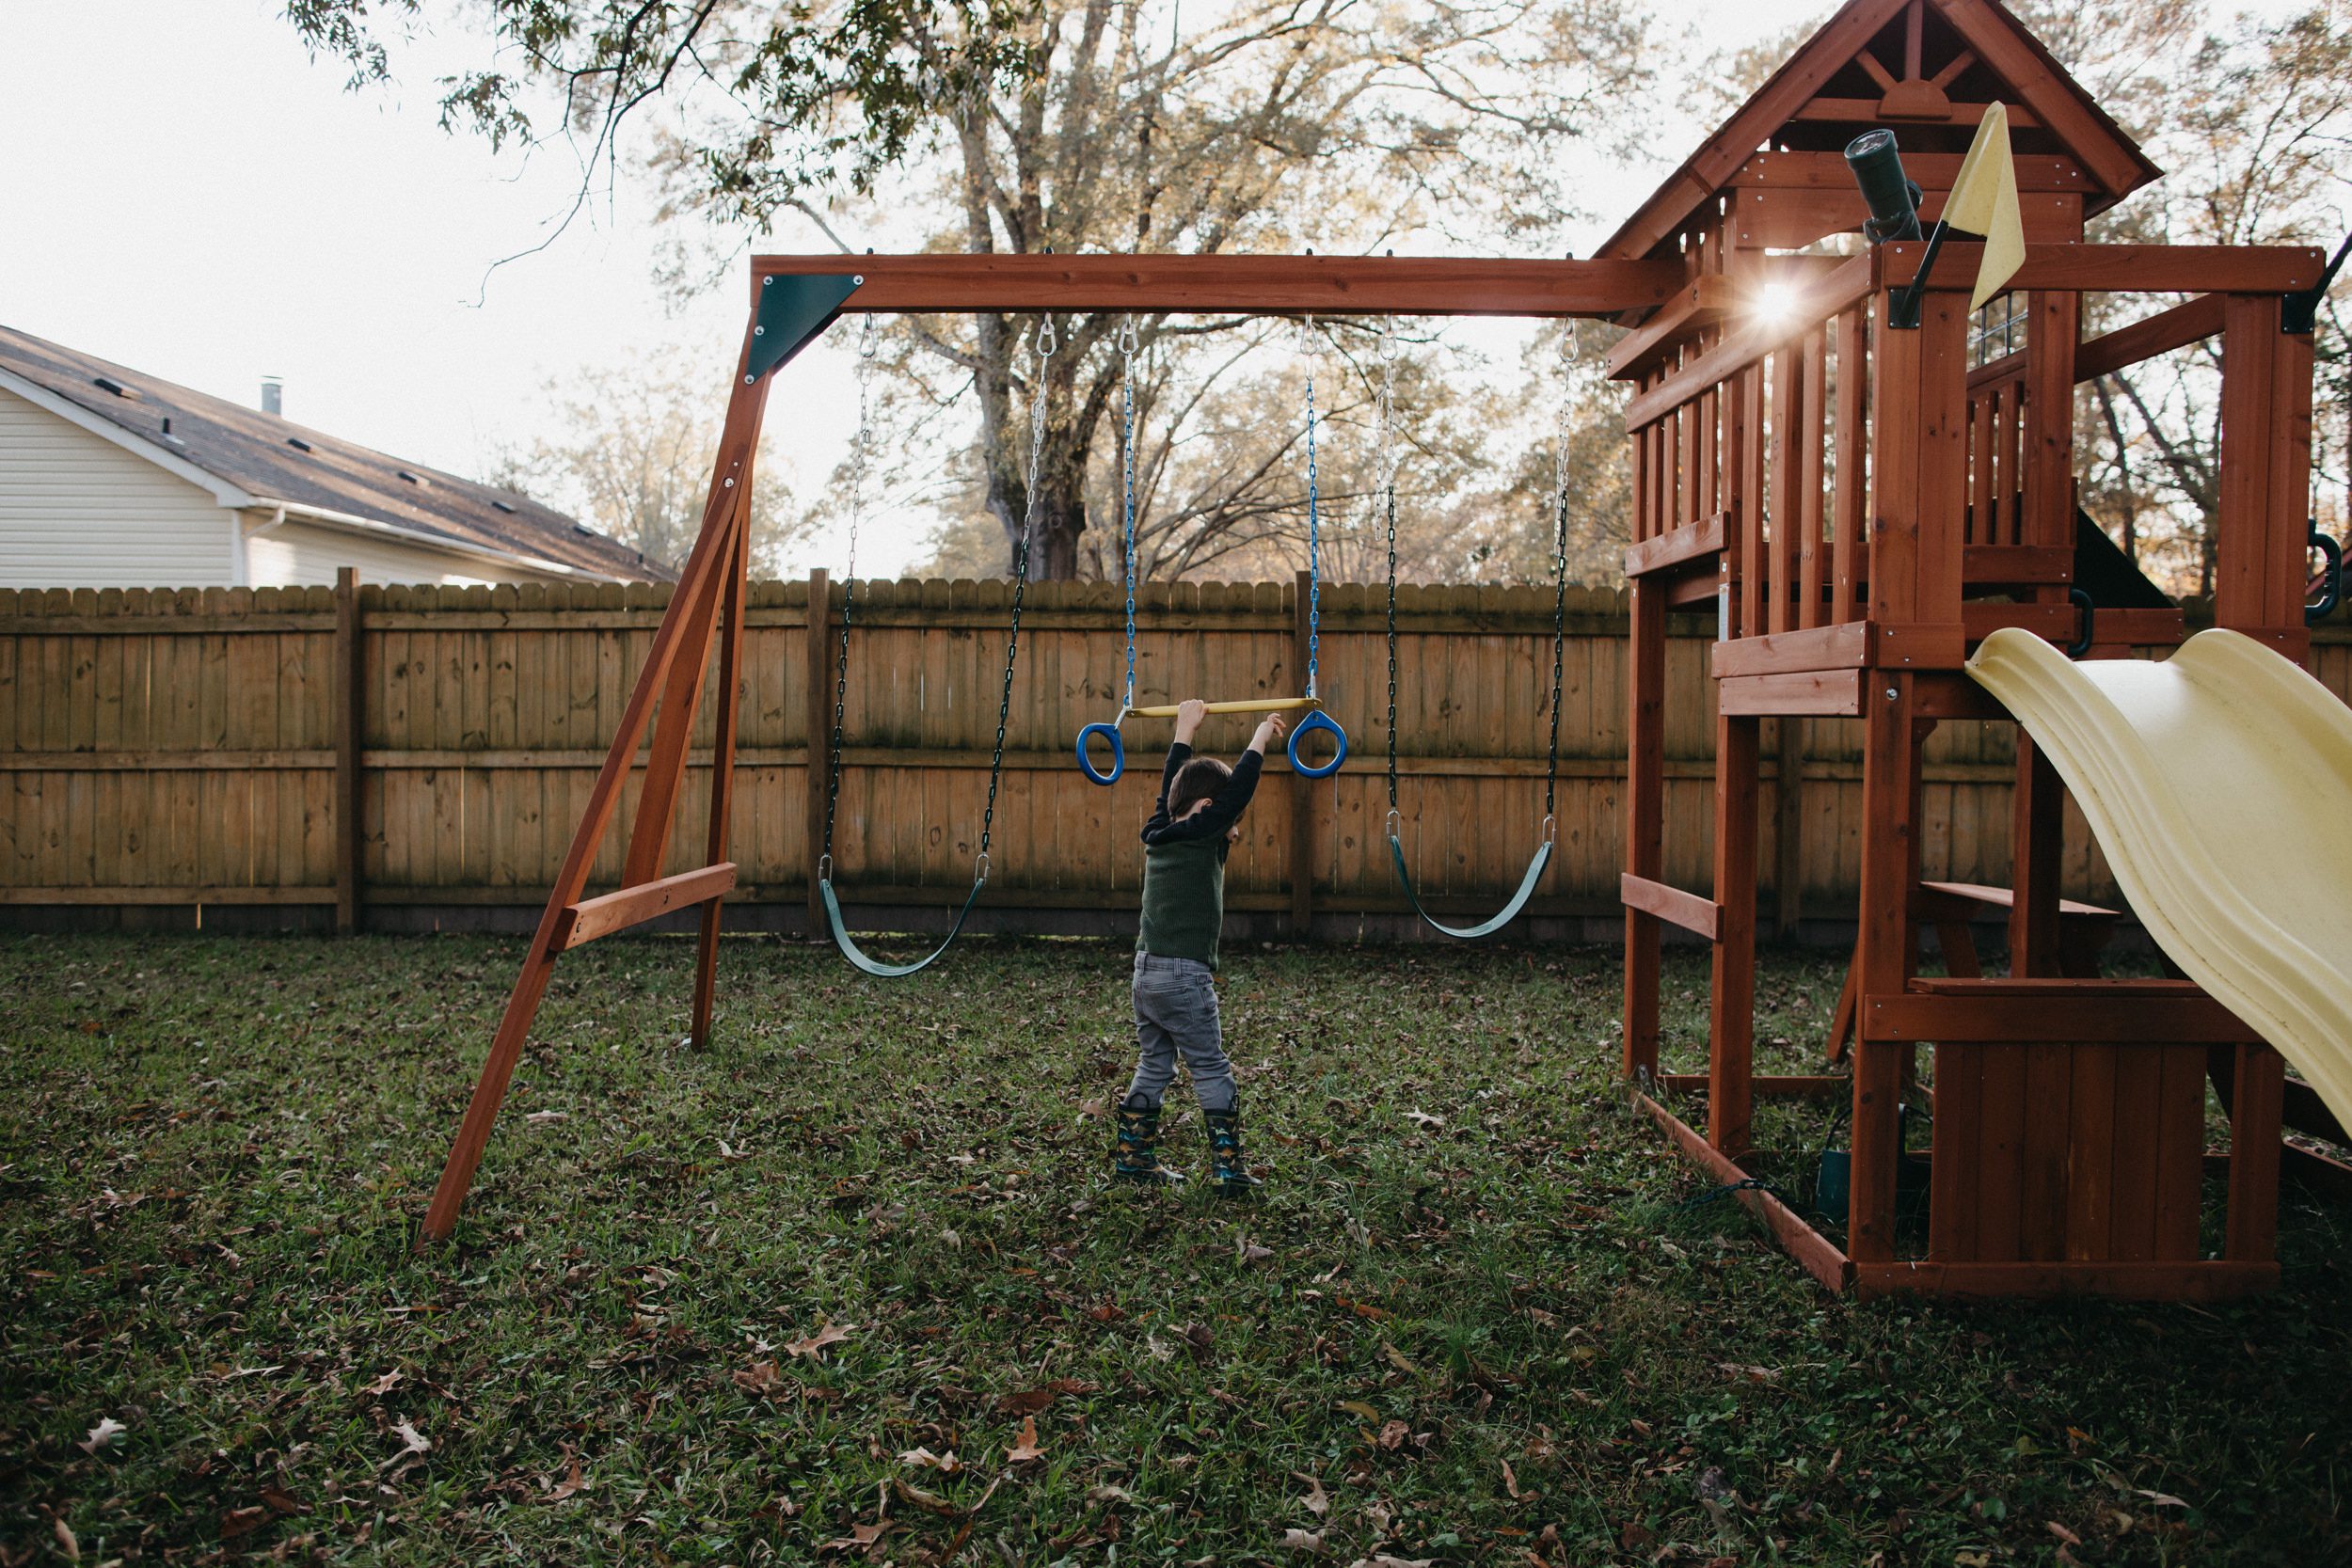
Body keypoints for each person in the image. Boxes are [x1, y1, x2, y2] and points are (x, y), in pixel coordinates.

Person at [1113, 699, 1286, 1195]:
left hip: (1145, 974)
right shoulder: (1201, 832)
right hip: (1184, 977)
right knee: (1210, 1066)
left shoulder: (1160, 833)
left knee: (1154, 1064)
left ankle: (1134, 1158)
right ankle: (1228, 1168)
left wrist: (1183, 731)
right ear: (1209, 810)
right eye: (1231, 820)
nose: (1235, 830)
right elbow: (1235, 796)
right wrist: (1259, 738)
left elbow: (1170, 793)